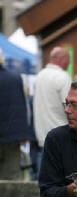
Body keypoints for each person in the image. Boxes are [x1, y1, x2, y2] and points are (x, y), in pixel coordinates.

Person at [33, 46, 72, 175]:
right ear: (62, 59)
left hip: (41, 132)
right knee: (61, 176)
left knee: (43, 175)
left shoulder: (39, 76)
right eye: (68, 59)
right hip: (60, 131)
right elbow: (70, 106)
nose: (69, 63)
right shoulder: (63, 76)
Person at [0, 49, 29, 180]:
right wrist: (23, 134)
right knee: (11, 176)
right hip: (12, 136)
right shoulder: (15, 78)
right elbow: (22, 107)